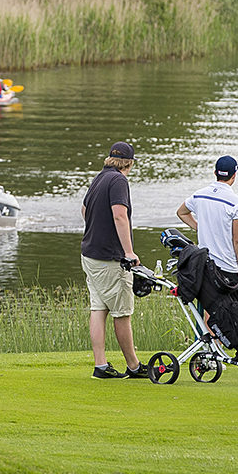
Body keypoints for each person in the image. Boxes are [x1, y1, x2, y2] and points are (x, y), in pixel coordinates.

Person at [81, 142, 148, 379]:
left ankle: (101, 366)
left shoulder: (100, 177)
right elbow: (120, 215)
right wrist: (129, 252)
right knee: (122, 312)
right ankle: (133, 365)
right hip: (110, 258)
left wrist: (97, 229)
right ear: (129, 163)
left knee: (98, 308)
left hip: (89, 254)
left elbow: (84, 210)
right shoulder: (119, 181)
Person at [175, 155, 238, 284]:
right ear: (234, 175)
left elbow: (182, 213)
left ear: (215, 173)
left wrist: (200, 227)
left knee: (205, 302)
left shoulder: (199, 195)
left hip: (203, 263)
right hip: (227, 267)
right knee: (230, 304)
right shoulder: (236, 202)